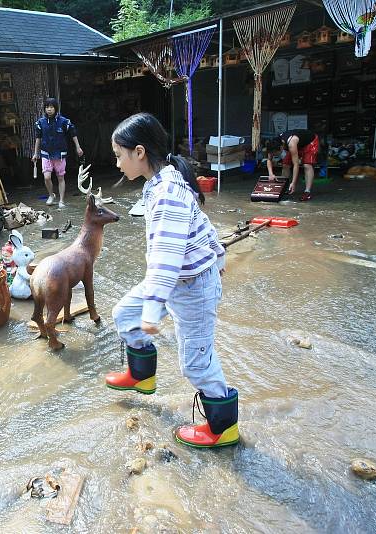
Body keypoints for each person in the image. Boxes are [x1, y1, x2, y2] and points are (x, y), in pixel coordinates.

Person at [104, 112, 238, 449]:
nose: (117, 163)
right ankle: (142, 375)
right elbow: (202, 223)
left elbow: (165, 259)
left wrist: (152, 309)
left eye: (119, 155)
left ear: (139, 152)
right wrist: (218, 255)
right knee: (124, 315)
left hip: (191, 286)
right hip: (176, 281)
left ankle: (223, 428)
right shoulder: (162, 180)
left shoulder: (167, 192)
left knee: (196, 364)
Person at [32, 97, 83, 208]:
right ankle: (51, 195)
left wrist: (78, 147)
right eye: (47, 107)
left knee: (60, 178)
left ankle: (62, 200)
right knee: (47, 177)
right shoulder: (41, 122)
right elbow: (38, 138)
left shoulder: (64, 121)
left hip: (60, 154)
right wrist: (36, 153)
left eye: (51, 107)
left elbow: (73, 133)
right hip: (46, 153)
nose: (49, 109)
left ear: (55, 108)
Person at [265, 129, 320, 201]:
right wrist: (271, 174)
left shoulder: (291, 143)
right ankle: (284, 187)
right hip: (298, 144)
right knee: (285, 165)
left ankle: (307, 192)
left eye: (276, 154)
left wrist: (293, 183)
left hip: (309, 142)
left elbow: (296, 164)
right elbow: (269, 159)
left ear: (281, 148)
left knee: (307, 165)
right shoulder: (272, 144)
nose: (275, 155)